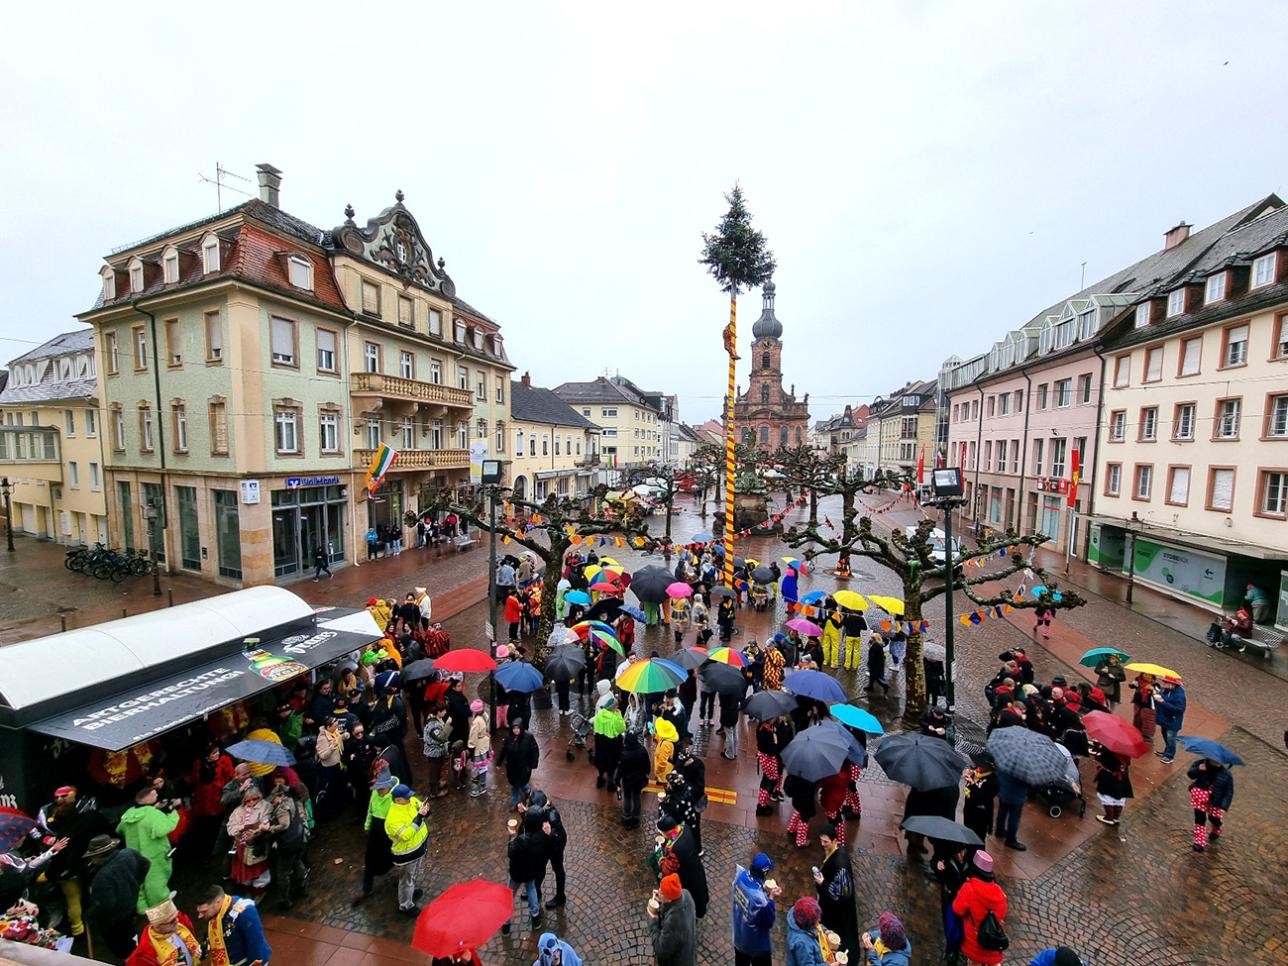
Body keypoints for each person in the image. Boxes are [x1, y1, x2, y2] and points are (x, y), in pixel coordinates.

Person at [83, 834, 149, 958]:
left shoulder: (101, 877)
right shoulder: (129, 853)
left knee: (124, 950)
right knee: (131, 935)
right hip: (131, 906)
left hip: (114, 920)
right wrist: (135, 884)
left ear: (97, 856)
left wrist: (89, 915)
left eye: (92, 856)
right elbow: (145, 864)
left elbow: (106, 904)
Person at [116, 784, 181, 912]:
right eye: (154, 794)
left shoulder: (128, 814)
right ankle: (161, 907)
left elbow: (119, 829)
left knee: (140, 882)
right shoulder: (152, 813)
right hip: (154, 854)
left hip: (135, 855)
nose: (157, 795)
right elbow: (163, 829)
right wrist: (173, 812)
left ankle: (142, 907)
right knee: (156, 882)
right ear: (147, 799)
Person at [951, 850, 1008, 966]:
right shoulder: (1000, 893)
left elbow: (957, 909)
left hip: (974, 942)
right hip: (992, 944)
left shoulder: (969, 888)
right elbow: (1002, 914)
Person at [352, 767, 398, 906]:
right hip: (375, 834)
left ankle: (401, 880)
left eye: (381, 789)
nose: (378, 791)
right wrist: (367, 825)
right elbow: (370, 811)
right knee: (370, 860)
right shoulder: (374, 795)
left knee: (394, 857)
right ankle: (367, 889)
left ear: (388, 786)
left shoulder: (395, 798)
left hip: (389, 835)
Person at [194, 884, 271, 966]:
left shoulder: (245, 912)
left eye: (204, 911)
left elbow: (256, 949)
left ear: (218, 902)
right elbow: (218, 936)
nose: (199, 916)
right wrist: (206, 947)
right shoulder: (217, 911)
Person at [813, 822, 858, 956]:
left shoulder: (840, 863)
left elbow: (840, 893)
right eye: (821, 840)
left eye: (825, 841)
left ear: (835, 841)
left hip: (836, 913)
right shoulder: (834, 852)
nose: (822, 844)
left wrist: (822, 883)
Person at [384, 784, 429, 915]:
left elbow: (419, 805)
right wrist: (420, 817)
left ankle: (410, 893)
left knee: (411, 876)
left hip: (417, 850)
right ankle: (405, 906)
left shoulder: (411, 801)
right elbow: (406, 835)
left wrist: (425, 809)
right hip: (406, 855)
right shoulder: (393, 819)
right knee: (406, 880)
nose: (411, 799)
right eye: (407, 797)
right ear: (398, 800)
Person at [266, 778, 308, 911]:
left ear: (279, 796)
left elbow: (284, 825)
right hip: (298, 839)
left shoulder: (282, 808)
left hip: (287, 844)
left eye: (273, 799)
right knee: (298, 863)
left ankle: (285, 900)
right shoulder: (292, 801)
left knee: (282, 872)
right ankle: (302, 888)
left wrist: (269, 828)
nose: (272, 802)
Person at [504, 810, 548, 935]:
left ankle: (506, 923)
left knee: (508, 895)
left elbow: (510, 853)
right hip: (530, 871)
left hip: (516, 873)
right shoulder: (541, 836)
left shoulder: (522, 841)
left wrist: (511, 836)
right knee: (531, 890)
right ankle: (535, 918)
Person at [657, 813, 708, 919]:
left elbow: (667, 870)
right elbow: (674, 838)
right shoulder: (685, 828)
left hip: (686, 879)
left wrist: (660, 859)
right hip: (696, 869)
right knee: (699, 893)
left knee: (691, 898)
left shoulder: (675, 850)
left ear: (667, 832)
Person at [732, 851, 779, 966]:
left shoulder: (741, 875)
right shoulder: (760, 899)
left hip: (739, 935)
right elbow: (768, 922)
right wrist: (771, 898)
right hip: (756, 944)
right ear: (765, 872)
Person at [226, 786, 273, 897]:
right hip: (241, 848)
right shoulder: (238, 811)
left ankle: (259, 892)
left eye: (255, 799)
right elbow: (230, 827)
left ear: (259, 797)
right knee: (245, 873)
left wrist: (256, 831)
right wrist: (241, 828)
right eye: (248, 800)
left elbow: (266, 822)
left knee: (260, 872)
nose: (251, 802)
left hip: (257, 845)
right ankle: (248, 891)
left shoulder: (266, 806)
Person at [126, 898, 201, 966]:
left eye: (176, 916)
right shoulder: (144, 954)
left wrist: (196, 951)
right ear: (157, 926)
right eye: (172, 921)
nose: (177, 920)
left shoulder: (181, 925)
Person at [526, 790, 568, 910]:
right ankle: (536, 891)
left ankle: (560, 897)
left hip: (555, 847)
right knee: (539, 868)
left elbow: (559, 837)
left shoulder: (552, 815)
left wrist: (550, 833)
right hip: (544, 843)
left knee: (558, 869)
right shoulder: (541, 811)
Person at [649, 873, 697, 966]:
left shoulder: (673, 921)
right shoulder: (685, 894)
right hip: (688, 952)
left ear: (669, 899)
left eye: (662, 892)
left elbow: (661, 950)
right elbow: (669, 905)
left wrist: (653, 919)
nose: (658, 891)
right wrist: (662, 900)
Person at [1188, 757, 1235, 852]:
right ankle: (1200, 842)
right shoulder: (1201, 764)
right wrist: (1198, 770)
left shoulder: (1226, 774)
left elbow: (1228, 792)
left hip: (1215, 801)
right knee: (1200, 819)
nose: (1216, 762)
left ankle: (1217, 827)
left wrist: (1224, 806)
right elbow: (1191, 774)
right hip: (1200, 798)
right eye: (1214, 759)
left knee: (1213, 818)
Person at [616, 731, 651, 828]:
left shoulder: (624, 753)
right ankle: (636, 818)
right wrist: (646, 775)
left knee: (627, 798)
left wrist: (617, 780)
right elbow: (647, 765)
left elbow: (620, 770)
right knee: (636, 797)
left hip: (627, 780)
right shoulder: (642, 750)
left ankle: (627, 819)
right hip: (639, 779)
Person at [962, 753, 999, 844]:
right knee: (967, 833)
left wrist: (973, 784)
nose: (977, 767)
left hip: (980, 815)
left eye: (981, 765)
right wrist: (969, 777)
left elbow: (983, 797)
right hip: (969, 810)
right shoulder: (977, 773)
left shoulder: (993, 781)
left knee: (977, 839)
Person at [1093, 747, 1133, 826]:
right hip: (1123, 777)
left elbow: (1101, 758)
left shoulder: (1109, 748)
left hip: (1109, 776)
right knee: (1120, 797)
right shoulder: (1127, 751)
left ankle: (1109, 817)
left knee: (1106, 796)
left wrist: (1099, 751)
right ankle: (1116, 817)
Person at [593, 696, 626, 791]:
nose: (618, 708)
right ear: (613, 707)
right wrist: (619, 715)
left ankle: (600, 779)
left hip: (600, 741)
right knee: (611, 764)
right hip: (612, 744)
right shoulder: (614, 718)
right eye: (617, 706)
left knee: (601, 761)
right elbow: (622, 728)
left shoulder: (599, 714)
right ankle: (610, 784)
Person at [421, 703, 452, 799]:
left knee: (438, 769)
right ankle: (434, 792)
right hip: (434, 752)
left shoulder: (436, 719)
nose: (445, 712)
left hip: (438, 751)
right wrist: (447, 725)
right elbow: (441, 737)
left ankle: (438, 783)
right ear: (438, 712)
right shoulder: (433, 725)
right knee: (434, 771)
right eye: (444, 711)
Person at [1153, 676, 1186, 764]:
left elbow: (1179, 709)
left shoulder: (1179, 695)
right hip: (1164, 719)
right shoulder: (1165, 690)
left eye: (1165, 682)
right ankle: (1167, 751)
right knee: (1165, 736)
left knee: (1171, 738)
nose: (1163, 683)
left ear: (1172, 684)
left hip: (1173, 721)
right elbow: (1162, 697)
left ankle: (1170, 756)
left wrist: (1162, 701)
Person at [785, 896, 826, 966]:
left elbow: (816, 926)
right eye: (816, 919)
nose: (819, 920)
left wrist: (825, 931)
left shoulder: (796, 919)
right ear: (808, 924)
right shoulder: (802, 944)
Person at [995, 769, 1029, 851]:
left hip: (1004, 791)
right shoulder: (1025, 767)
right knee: (1014, 818)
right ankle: (1010, 840)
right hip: (1017, 796)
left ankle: (999, 830)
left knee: (1002, 812)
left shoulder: (1008, 761)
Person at [467, 699, 493, 798]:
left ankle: (482, 787)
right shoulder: (485, 715)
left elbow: (473, 736)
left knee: (482, 766)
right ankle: (480, 780)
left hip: (479, 745)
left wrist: (470, 746)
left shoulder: (477, 721)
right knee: (483, 764)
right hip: (485, 743)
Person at [1129, 673, 1156, 743]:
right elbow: (1131, 686)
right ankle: (1136, 731)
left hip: (1148, 705)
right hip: (1138, 702)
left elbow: (1158, 694)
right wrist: (1133, 684)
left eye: (1149, 675)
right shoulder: (1138, 680)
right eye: (1145, 674)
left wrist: (1153, 689)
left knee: (1147, 719)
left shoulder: (1155, 685)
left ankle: (1146, 735)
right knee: (1137, 717)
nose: (1147, 676)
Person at [654, 716, 678, 782]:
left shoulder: (665, 744)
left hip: (664, 773)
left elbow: (662, 761)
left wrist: (658, 771)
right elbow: (660, 738)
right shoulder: (669, 737)